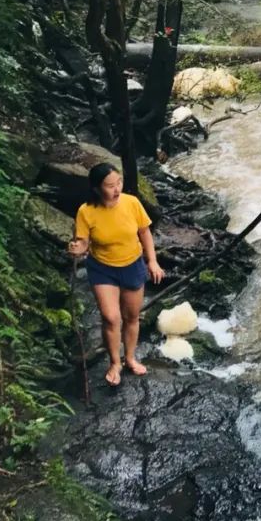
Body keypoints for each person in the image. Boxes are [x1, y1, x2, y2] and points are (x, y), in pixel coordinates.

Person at [67, 163, 165, 385]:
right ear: (96, 188)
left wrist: (153, 261)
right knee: (111, 318)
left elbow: (144, 232)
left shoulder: (132, 203)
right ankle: (114, 363)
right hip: (102, 268)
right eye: (110, 185)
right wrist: (77, 249)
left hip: (132, 265)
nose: (117, 189)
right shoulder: (86, 211)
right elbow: (83, 243)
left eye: (118, 182)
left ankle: (129, 358)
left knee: (131, 316)